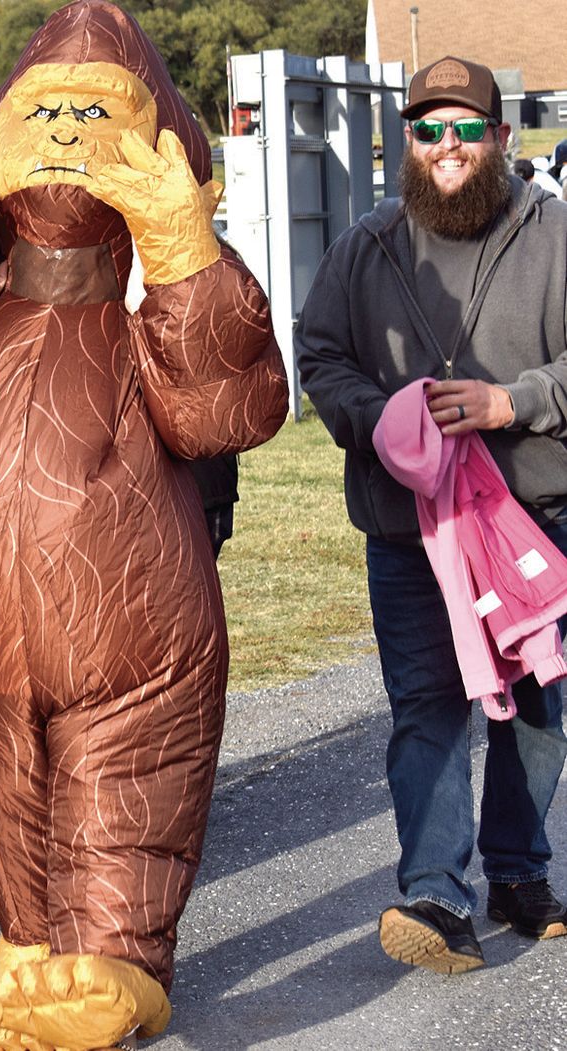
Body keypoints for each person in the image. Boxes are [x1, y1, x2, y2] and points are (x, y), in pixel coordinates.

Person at [0, 3, 288, 1046]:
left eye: (99, 108)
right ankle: (35, 938)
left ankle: (117, 959)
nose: (74, 128)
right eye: (52, 110)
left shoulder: (141, 327)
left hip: (133, 619)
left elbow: (227, 404)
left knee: (126, 772)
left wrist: (182, 252)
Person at [296, 54, 567, 975]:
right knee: (429, 707)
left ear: (499, 138)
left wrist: (513, 402)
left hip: (536, 520)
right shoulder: (362, 248)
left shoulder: (558, 236)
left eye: (464, 128)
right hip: (411, 531)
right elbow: (320, 356)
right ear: (404, 143)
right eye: (426, 129)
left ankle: (521, 875)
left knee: (536, 704)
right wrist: (381, 421)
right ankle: (436, 895)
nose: (445, 146)